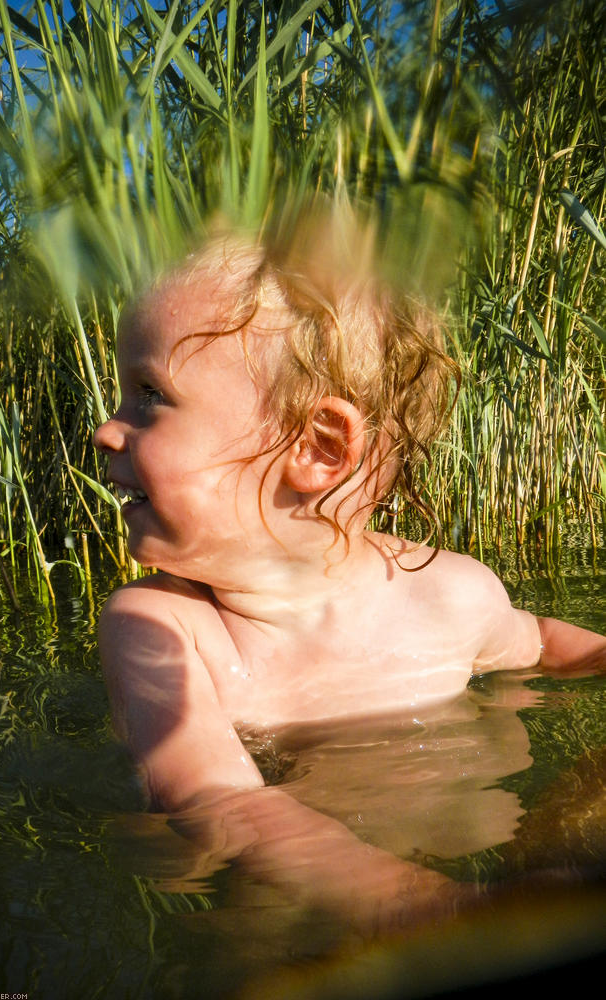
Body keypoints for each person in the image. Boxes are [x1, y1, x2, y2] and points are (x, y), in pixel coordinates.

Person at [93, 202, 605, 934]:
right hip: (298, 928)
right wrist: (434, 907)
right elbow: (214, 801)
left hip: (492, 875)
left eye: (150, 396)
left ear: (319, 447)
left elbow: (542, 643)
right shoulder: (163, 628)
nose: (105, 427)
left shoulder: (449, 593)